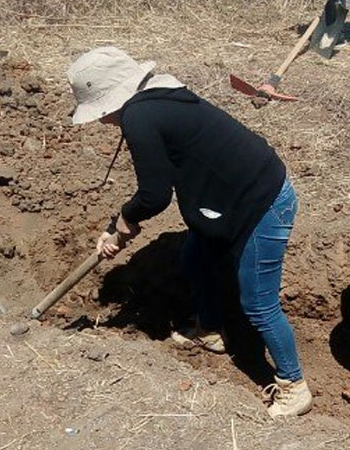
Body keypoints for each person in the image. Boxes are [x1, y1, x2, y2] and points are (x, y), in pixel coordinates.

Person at [65, 47, 312, 418]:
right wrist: (116, 224)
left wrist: (121, 227)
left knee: (259, 304)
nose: (100, 121)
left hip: (262, 203)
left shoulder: (140, 118)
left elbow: (154, 195)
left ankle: (294, 386)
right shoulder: (157, 97)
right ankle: (211, 329)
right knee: (196, 256)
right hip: (231, 197)